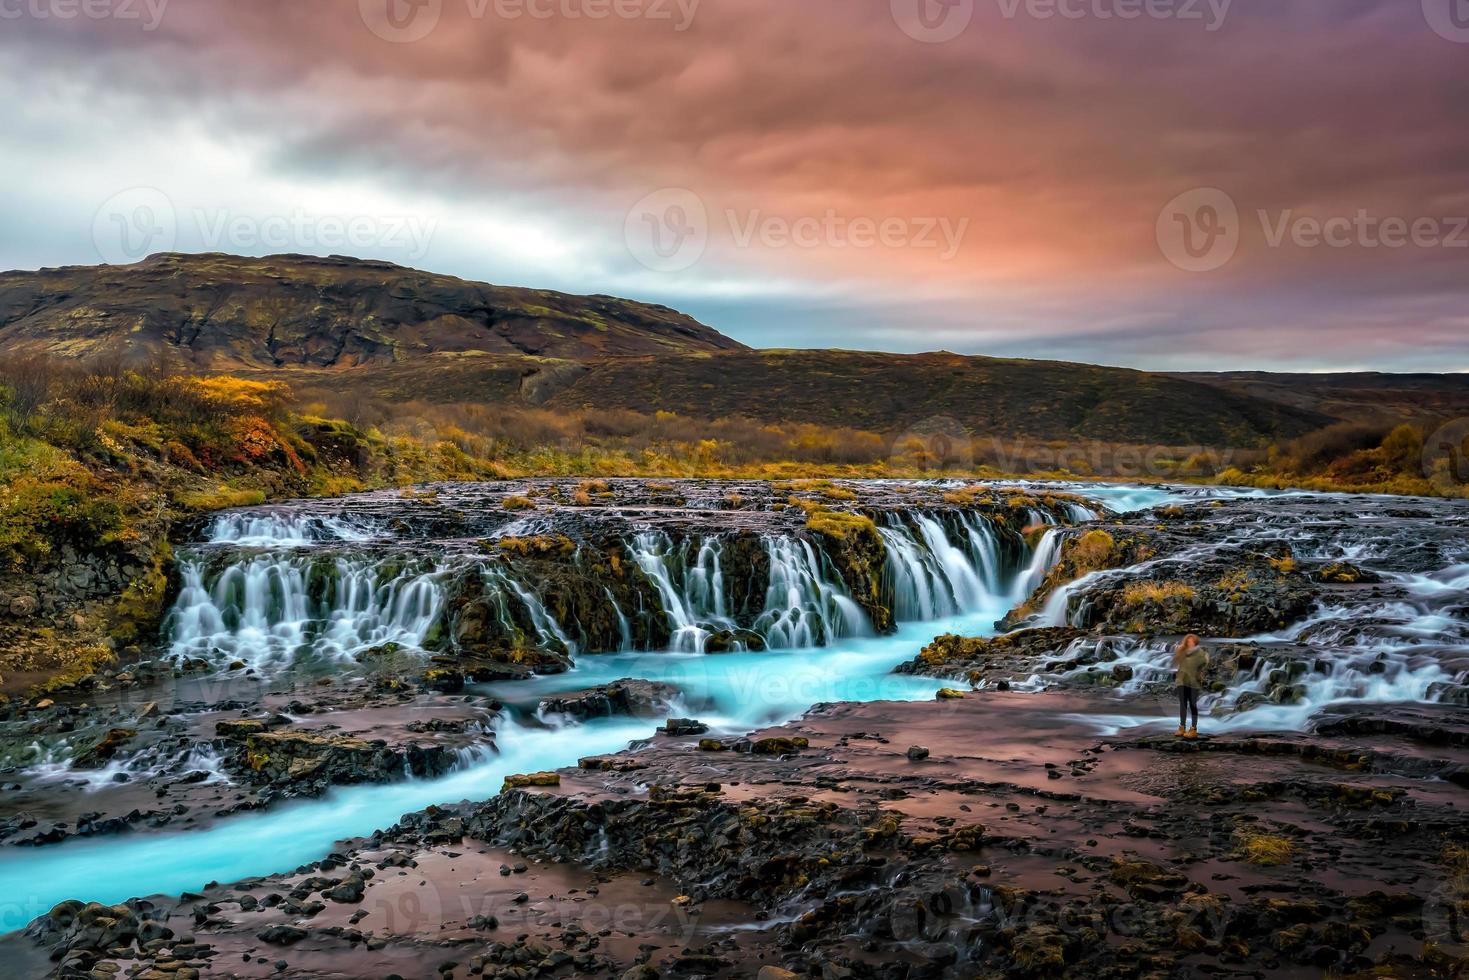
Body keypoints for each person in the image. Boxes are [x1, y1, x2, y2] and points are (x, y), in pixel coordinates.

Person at [1173, 634, 1208, 739]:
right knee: (1183, 705)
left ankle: (1193, 729)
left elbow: (1205, 664)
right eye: (1188, 641)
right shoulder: (1182, 652)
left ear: (1195, 642)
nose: (1190, 643)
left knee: (1193, 705)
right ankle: (1182, 727)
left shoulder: (1200, 653)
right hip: (1181, 681)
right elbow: (1177, 661)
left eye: (1192, 641)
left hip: (1194, 683)